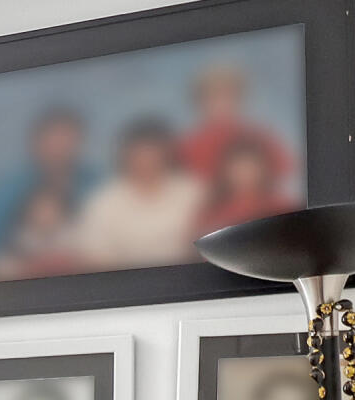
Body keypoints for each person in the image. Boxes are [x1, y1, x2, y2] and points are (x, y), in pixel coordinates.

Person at [0, 107, 95, 274]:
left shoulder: (94, 183)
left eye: (67, 141)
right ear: (36, 143)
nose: (59, 150)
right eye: (53, 142)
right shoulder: (8, 187)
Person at [71, 118, 205, 268]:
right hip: (123, 282)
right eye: (138, 154)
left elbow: (206, 244)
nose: (145, 161)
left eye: (152, 152)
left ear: (166, 154)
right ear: (125, 156)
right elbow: (95, 257)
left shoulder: (191, 191)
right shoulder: (105, 201)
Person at [177, 59, 294, 201]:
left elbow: (285, 170)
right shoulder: (189, 144)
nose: (221, 103)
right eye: (214, 97)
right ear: (200, 102)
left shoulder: (259, 136)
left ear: (239, 99)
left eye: (228, 96)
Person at [201, 129, 295, 232]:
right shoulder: (214, 210)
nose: (244, 174)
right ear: (225, 171)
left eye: (249, 167)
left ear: (263, 170)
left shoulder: (279, 207)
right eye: (238, 168)